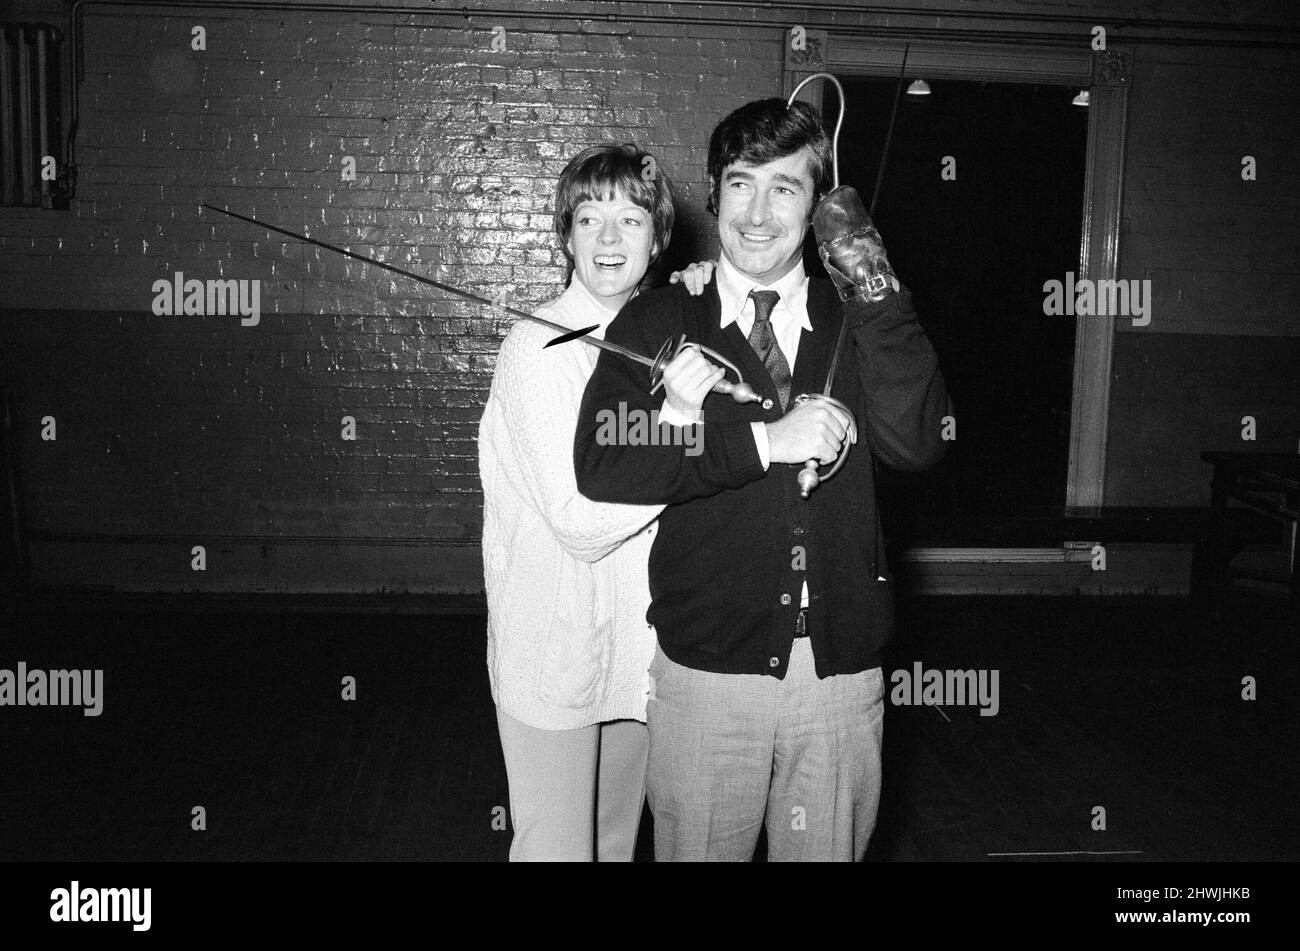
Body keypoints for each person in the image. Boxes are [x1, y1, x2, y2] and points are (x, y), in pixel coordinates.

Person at [574, 100, 951, 861]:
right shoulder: (659, 318)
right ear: (712, 193)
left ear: (817, 206)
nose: (757, 213)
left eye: (786, 188)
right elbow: (605, 457)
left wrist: (874, 289)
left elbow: (918, 444)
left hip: (840, 680)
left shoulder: (862, 320)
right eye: (741, 183)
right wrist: (761, 441)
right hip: (708, 676)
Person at [478, 143, 720, 861]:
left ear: (659, 236)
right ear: (566, 235)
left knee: (615, 848)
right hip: (552, 659)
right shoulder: (536, 348)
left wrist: (717, 296)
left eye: (631, 218)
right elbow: (581, 523)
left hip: (639, 656)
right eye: (590, 218)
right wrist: (681, 426)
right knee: (558, 853)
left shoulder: (671, 336)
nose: (610, 239)